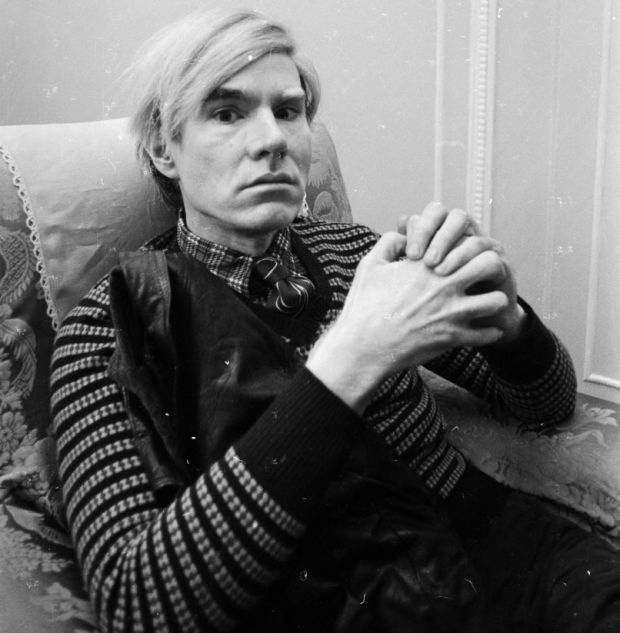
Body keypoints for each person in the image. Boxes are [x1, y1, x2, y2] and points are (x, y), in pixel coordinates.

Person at [50, 8, 620, 633]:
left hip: (506, 553)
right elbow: (137, 606)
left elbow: (547, 403)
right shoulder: (108, 330)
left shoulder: (356, 255)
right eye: (227, 113)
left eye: (288, 111)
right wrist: (354, 354)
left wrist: (508, 323)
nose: (272, 139)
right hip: (341, 603)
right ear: (165, 147)